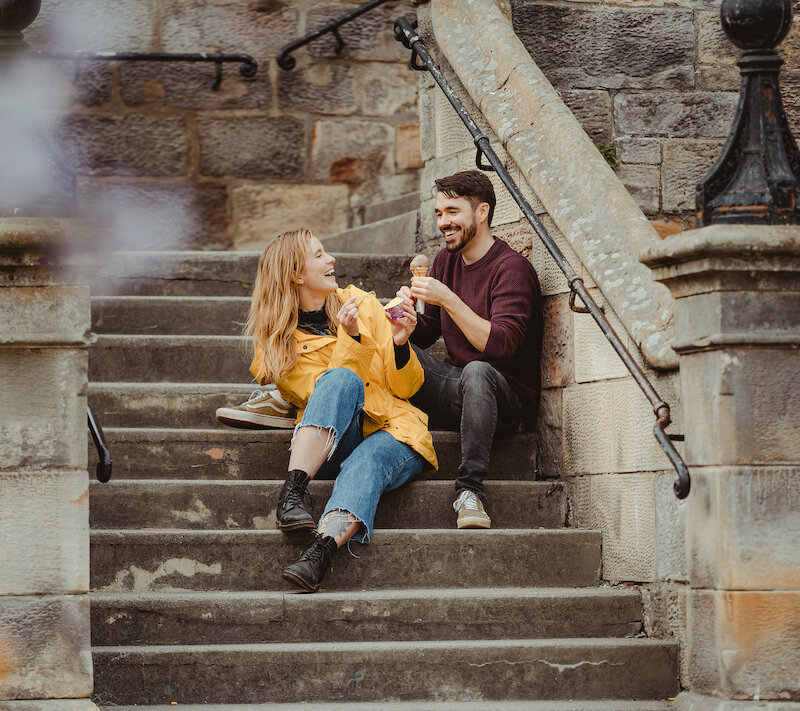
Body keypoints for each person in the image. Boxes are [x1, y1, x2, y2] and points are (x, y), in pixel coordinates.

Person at [246, 227, 437, 593]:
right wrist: (351, 338)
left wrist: (399, 345)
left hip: (395, 431)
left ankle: (319, 552)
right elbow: (324, 390)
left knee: (368, 460)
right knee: (341, 382)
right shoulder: (278, 348)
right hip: (332, 441)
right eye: (318, 255)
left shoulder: (362, 304)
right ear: (295, 274)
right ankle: (293, 493)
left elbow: (406, 388)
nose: (330, 258)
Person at [397, 170, 542, 530]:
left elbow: (501, 346)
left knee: (478, 370)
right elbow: (430, 330)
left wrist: (449, 298)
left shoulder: (512, 269)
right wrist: (405, 324)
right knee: (387, 346)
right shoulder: (445, 261)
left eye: (453, 212)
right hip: (457, 386)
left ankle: (470, 491)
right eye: (439, 213)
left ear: (482, 213)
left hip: (505, 399)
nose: (443, 222)